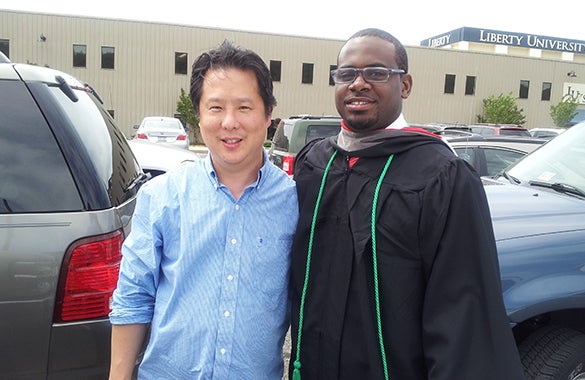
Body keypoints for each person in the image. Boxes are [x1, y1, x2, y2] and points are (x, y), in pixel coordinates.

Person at [289, 28, 526, 380]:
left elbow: (464, 314)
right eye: (346, 73)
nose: (358, 83)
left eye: (376, 73)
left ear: (405, 85)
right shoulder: (315, 163)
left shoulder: (442, 176)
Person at [109, 40, 299, 379]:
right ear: (198, 115)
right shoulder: (163, 197)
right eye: (215, 108)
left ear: (269, 115)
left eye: (244, 107)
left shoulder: (295, 203)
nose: (229, 122)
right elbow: (133, 296)